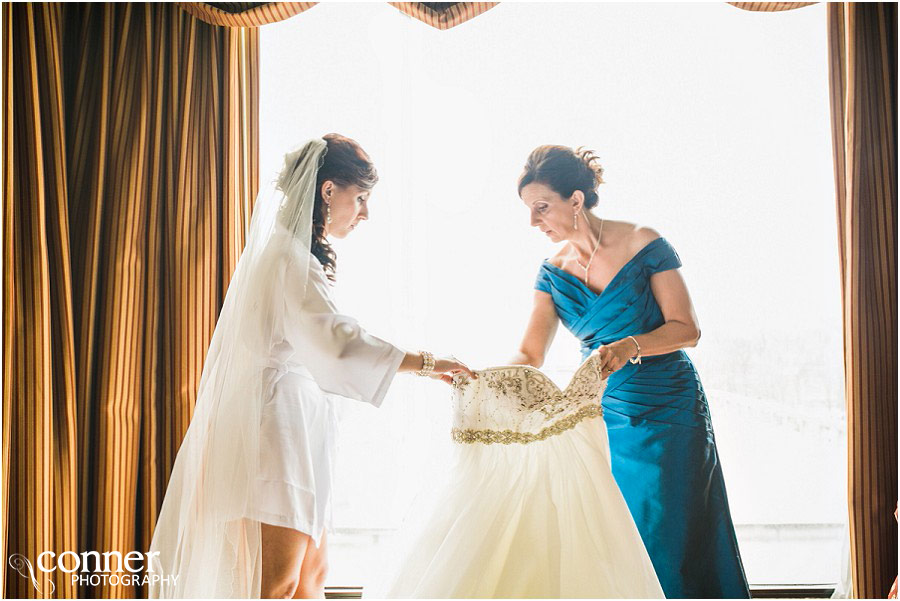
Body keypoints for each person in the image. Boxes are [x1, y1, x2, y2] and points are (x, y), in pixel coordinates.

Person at [147, 134, 474, 599]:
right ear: (327, 191)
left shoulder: (293, 255)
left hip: (297, 430)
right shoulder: (286, 257)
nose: (365, 213)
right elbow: (335, 344)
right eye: (360, 198)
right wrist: (427, 363)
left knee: (312, 575)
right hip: (273, 432)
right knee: (276, 583)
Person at [511, 144, 750, 598]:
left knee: (669, 530)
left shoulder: (643, 242)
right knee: (616, 535)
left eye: (541, 207)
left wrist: (630, 345)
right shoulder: (552, 271)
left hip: (670, 407)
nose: (533, 221)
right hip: (603, 417)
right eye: (528, 210)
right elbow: (529, 353)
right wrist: (484, 377)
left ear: (576, 199)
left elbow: (687, 329)